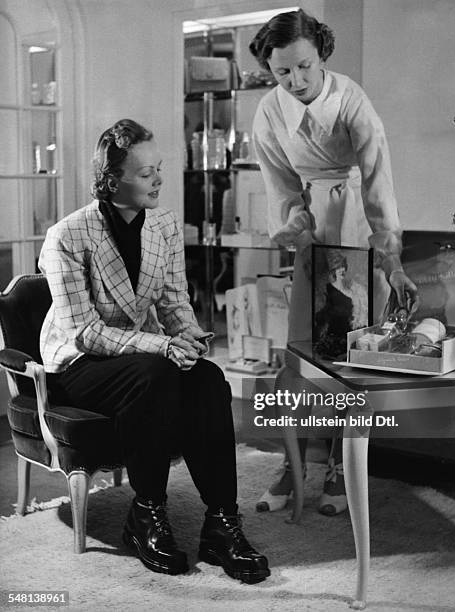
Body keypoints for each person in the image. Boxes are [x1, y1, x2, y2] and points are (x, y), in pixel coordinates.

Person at [38, 119, 270, 584]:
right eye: (146, 173)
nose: (159, 180)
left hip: (144, 358)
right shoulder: (67, 237)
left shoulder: (162, 225)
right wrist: (163, 347)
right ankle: (145, 516)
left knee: (206, 377)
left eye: (159, 169)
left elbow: (174, 303)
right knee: (155, 373)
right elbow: (83, 332)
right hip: (79, 366)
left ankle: (221, 523)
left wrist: (189, 342)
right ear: (111, 180)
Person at [249, 9, 417, 515]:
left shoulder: (352, 102)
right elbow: (280, 187)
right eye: (282, 72)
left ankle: (342, 465)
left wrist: (390, 258)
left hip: (359, 224)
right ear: (270, 70)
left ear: (320, 56)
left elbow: (378, 180)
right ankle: (292, 462)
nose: (295, 81)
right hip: (311, 231)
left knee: (348, 357)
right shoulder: (268, 114)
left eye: (304, 67)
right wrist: (299, 235)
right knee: (298, 356)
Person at [314, 251, 368, 359]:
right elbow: (321, 317)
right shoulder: (328, 290)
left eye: (343, 266)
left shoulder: (353, 290)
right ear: (333, 270)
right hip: (334, 344)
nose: (342, 270)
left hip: (351, 340)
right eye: (338, 267)